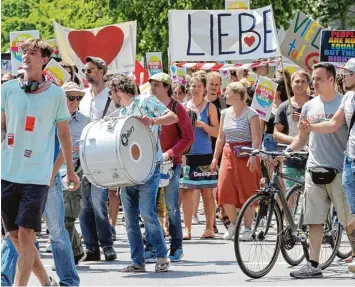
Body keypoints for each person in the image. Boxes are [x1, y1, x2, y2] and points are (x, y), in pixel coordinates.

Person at [1, 38, 80, 286]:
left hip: (37, 176)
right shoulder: (7, 89)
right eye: (24, 52)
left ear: (44, 60)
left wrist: (70, 171)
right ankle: (46, 282)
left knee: (27, 235)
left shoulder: (56, 94)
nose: (26, 56)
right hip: (7, 172)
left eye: (33, 53)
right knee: (15, 237)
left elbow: (64, 133)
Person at [289, 62, 355, 278]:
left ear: (330, 79)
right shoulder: (309, 106)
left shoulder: (343, 102)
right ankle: (314, 264)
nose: (313, 83)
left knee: (349, 221)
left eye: (318, 78)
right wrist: (287, 151)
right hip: (313, 170)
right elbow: (302, 137)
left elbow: (333, 126)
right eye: (313, 78)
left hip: (339, 171)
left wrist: (312, 126)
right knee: (313, 220)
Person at [107, 74, 178, 272]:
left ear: (118, 90)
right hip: (128, 170)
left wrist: (153, 121)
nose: (110, 95)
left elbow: (173, 117)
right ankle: (138, 261)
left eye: (111, 91)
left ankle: (162, 256)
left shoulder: (145, 100)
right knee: (130, 219)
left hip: (149, 167)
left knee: (147, 213)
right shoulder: (122, 112)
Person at [146, 72, 194, 262]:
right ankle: (151, 246)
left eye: (158, 85)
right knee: (148, 208)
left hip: (171, 164)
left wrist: (170, 153)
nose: (153, 88)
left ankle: (177, 246)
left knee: (172, 207)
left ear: (166, 87)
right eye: (152, 84)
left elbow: (188, 137)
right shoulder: (148, 105)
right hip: (150, 164)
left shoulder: (177, 107)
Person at [78, 56, 117, 261]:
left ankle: (107, 245)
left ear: (102, 72)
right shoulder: (82, 96)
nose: (87, 74)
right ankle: (91, 248)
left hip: (102, 155)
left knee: (97, 201)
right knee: (84, 205)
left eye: (91, 70)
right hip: (83, 155)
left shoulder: (111, 97)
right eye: (85, 70)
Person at [212, 82, 261, 240]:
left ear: (238, 95)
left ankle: (248, 228)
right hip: (228, 154)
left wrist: (253, 155)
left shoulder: (251, 114)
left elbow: (256, 138)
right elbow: (220, 137)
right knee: (225, 189)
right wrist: (215, 158)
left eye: (227, 92)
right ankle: (233, 225)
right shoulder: (225, 113)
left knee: (247, 191)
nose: (225, 94)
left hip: (246, 155)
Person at [54, 81, 91, 265]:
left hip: (74, 170)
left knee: (67, 216)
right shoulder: (51, 118)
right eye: (71, 97)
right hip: (52, 171)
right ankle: (77, 252)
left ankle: (65, 260)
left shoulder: (86, 121)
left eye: (78, 97)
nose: (75, 101)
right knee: (57, 216)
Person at [180, 72, 219, 240]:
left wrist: (203, 125)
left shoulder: (210, 107)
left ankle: (209, 227)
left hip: (205, 154)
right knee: (187, 191)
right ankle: (187, 228)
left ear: (204, 89)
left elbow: (217, 131)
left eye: (199, 86)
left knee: (207, 192)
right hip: (188, 154)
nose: (196, 89)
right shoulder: (183, 106)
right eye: (193, 86)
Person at [273, 70, 312, 190]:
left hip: (311, 157)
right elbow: (276, 133)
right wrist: (294, 140)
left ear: (307, 84)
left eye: (303, 81)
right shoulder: (284, 106)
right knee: (291, 195)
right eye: (297, 81)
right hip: (291, 157)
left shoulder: (315, 103)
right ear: (291, 84)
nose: (300, 84)